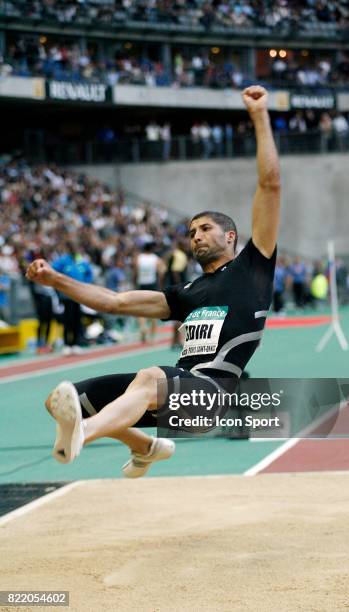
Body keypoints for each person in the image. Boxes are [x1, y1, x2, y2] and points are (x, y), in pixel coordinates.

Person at [26, 85, 280, 478]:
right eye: (191, 230)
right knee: (63, 401)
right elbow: (115, 302)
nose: (195, 235)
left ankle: (85, 434)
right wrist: (54, 278)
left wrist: (260, 116)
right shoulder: (187, 293)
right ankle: (146, 447)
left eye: (205, 228)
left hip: (211, 397)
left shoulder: (254, 267)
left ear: (230, 236)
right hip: (173, 395)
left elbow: (270, 185)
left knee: (149, 377)